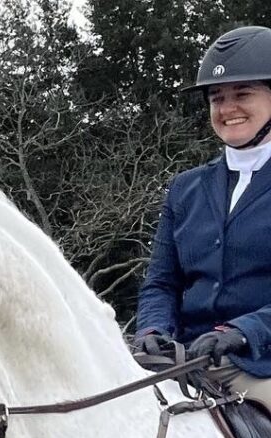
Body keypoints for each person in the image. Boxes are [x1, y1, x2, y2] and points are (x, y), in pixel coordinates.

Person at [136, 24, 271, 413]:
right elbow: (160, 282)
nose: (227, 109)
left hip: (259, 365)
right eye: (217, 98)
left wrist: (243, 331)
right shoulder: (185, 188)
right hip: (183, 362)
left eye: (242, 94)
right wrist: (152, 329)